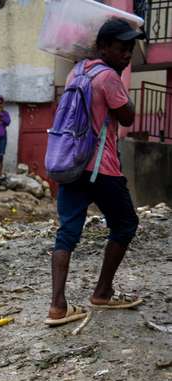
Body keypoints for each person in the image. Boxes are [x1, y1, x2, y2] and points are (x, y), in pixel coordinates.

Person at [46, 18, 144, 327]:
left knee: (67, 232)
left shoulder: (78, 71)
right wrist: (119, 81)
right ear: (102, 47)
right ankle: (102, 291)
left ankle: (58, 306)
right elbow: (127, 117)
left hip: (72, 163)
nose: (127, 55)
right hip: (101, 167)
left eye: (130, 49)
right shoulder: (107, 78)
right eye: (121, 48)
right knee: (126, 224)